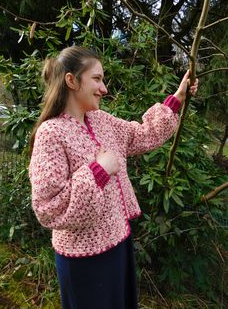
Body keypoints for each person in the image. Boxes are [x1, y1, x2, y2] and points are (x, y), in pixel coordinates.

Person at [29, 46, 198, 309]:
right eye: (96, 79)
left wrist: (177, 98)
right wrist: (99, 172)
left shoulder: (101, 121)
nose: (104, 88)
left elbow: (142, 134)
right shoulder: (51, 134)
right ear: (71, 80)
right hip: (83, 259)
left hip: (119, 242)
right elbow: (48, 208)